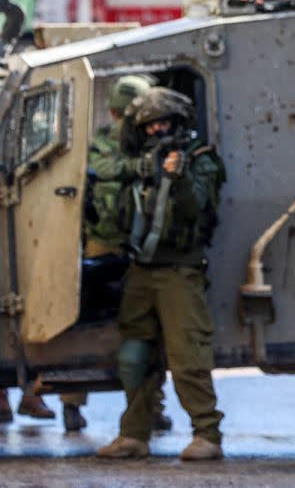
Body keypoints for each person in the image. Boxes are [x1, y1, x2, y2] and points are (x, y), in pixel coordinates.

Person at [97, 87, 226, 460]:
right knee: (134, 356)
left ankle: (207, 433)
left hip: (179, 273)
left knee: (188, 356)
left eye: (165, 123)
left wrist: (180, 177)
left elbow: (196, 210)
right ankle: (134, 434)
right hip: (141, 271)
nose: (159, 131)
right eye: (151, 125)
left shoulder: (200, 159)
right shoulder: (138, 163)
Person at [64, 74, 174, 433]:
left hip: (135, 245)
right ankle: (74, 402)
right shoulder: (103, 145)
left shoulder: (149, 143)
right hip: (107, 241)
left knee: (142, 329)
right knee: (92, 323)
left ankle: (148, 406)